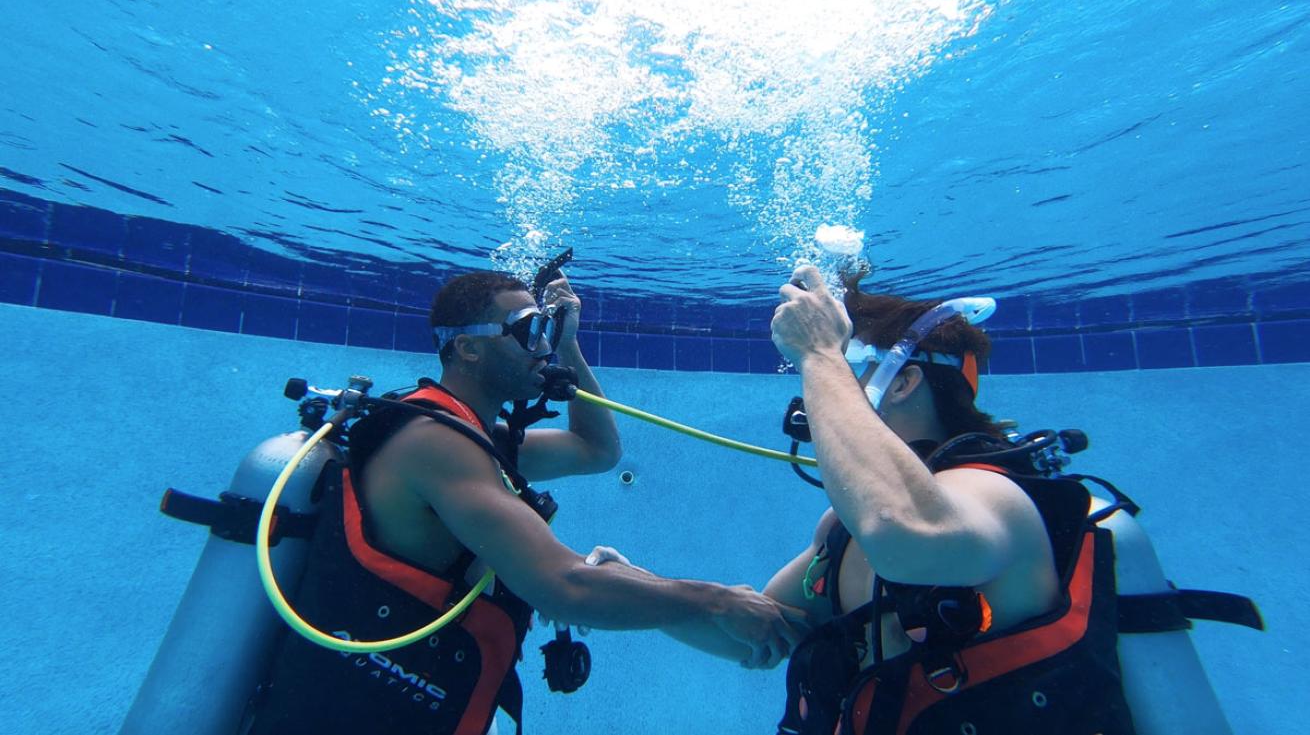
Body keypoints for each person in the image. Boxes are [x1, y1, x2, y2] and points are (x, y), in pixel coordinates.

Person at [247, 269, 804, 735]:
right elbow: (563, 589)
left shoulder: (478, 436)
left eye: (544, 328)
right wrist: (716, 602)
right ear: (467, 346)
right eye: (529, 329)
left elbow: (596, 450)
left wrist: (568, 345)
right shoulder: (435, 442)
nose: (541, 343)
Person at [757, 264, 1256, 735]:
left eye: (846, 371)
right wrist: (677, 596)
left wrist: (820, 353)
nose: (816, 396)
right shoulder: (844, 527)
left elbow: (905, 536)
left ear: (903, 381)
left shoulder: (987, 493)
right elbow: (761, 625)